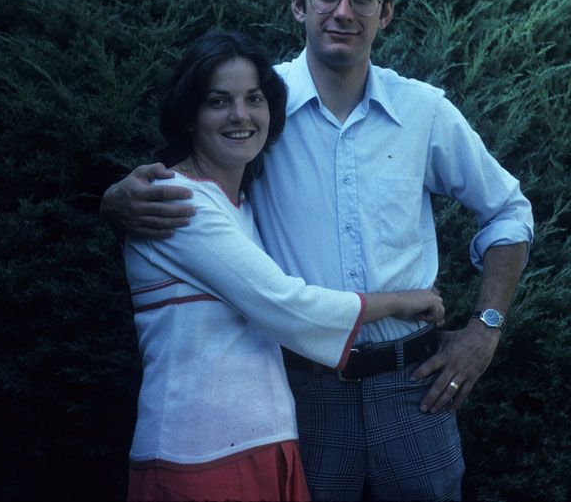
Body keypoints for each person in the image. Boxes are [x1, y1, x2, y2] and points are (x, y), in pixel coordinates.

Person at [104, 0, 534, 501]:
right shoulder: (262, 105)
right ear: (298, 6)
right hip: (300, 393)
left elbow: (507, 211)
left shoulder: (424, 111)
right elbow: (200, 174)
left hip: (414, 388)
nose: (343, 12)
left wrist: (484, 331)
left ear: (386, 14)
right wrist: (116, 200)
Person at [122, 30, 444, 502]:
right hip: (196, 457)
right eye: (218, 101)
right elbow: (285, 305)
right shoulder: (176, 203)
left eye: (254, 98)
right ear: (189, 115)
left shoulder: (240, 206)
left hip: (266, 445)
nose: (240, 115)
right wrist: (398, 301)